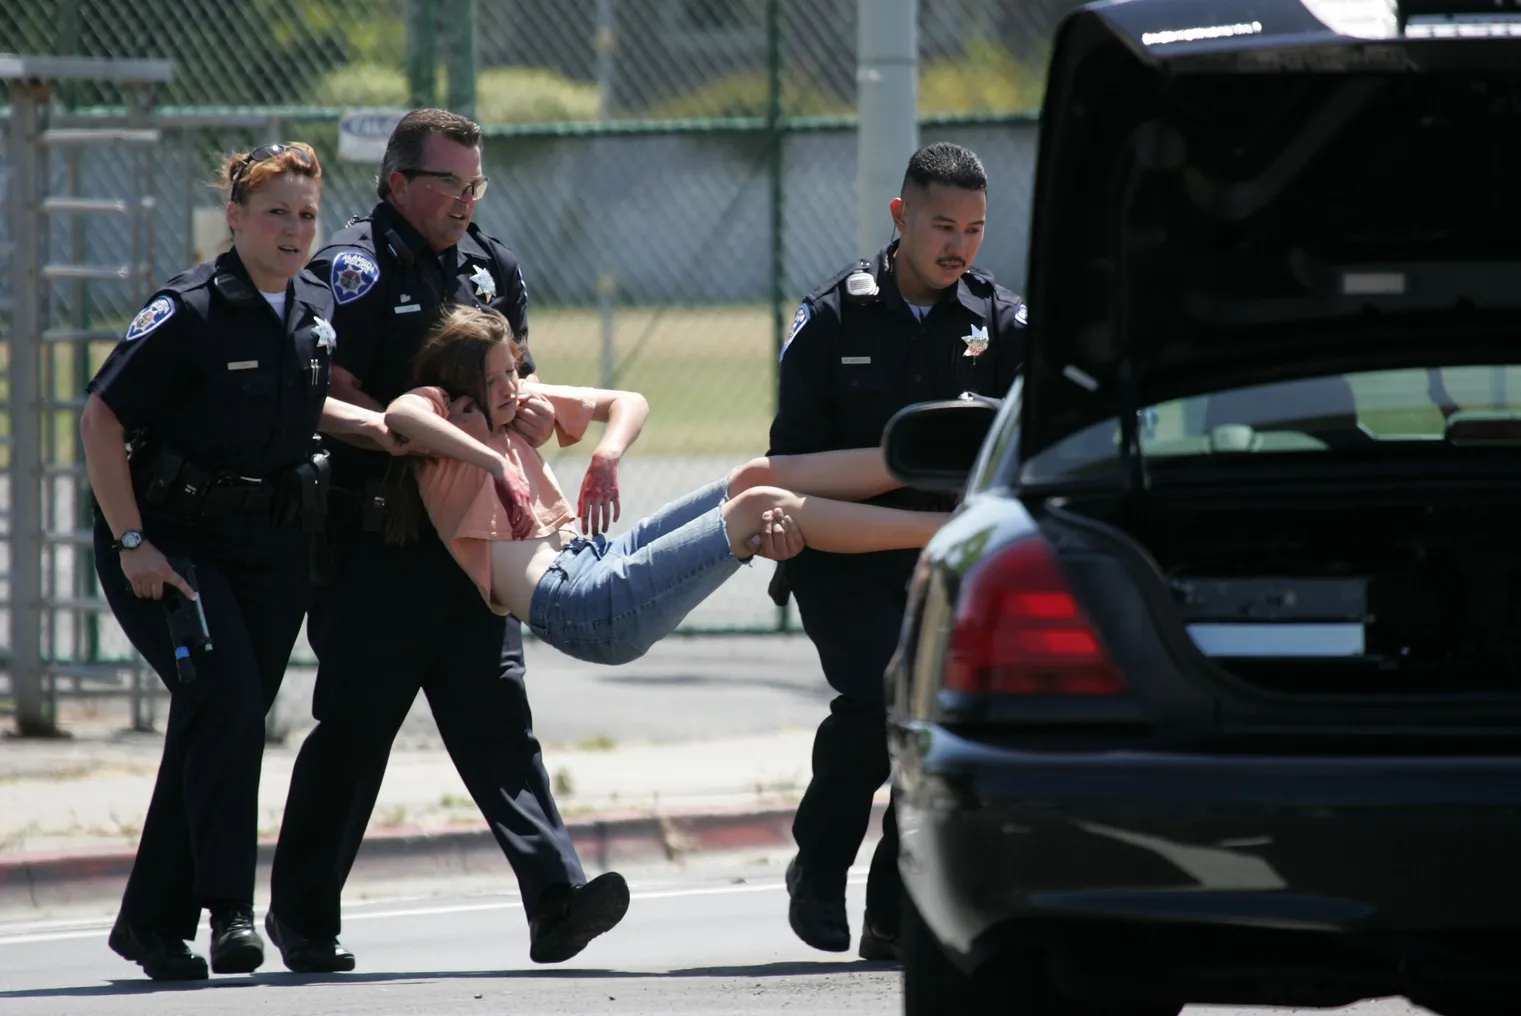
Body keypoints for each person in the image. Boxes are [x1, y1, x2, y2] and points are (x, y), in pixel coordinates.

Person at [266, 108, 622, 972]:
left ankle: (555, 900)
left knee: (499, 718)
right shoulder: (349, 267)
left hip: (475, 534)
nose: (465, 199)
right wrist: (415, 423)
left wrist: (527, 407)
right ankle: (304, 919)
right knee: (355, 733)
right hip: (377, 543)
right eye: (447, 183)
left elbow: (516, 377)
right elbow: (330, 387)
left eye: (475, 184)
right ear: (397, 183)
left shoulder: (488, 267)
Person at [82, 142, 391, 981]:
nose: (295, 231)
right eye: (276, 213)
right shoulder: (187, 310)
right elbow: (101, 421)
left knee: (221, 715)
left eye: (305, 214)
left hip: (272, 546)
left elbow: (309, 400)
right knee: (226, 702)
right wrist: (134, 544)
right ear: (235, 217)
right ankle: (228, 913)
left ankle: (149, 923)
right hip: (170, 542)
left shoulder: (316, 301)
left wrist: (389, 429)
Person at [769, 142, 1028, 961]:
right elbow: (791, 455)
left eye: (976, 229)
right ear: (900, 217)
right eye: (943, 225)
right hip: (844, 556)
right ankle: (819, 864)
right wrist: (783, 521)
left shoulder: (1004, 324)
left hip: (949, 561)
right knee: (883, 702)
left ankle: (892, 906)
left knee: (940, 723)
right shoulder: (832, 317)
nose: (959, 246)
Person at [378, 305, 948, 665]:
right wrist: (491, 460)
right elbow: (399, 419)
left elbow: (631, 401)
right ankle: (946, 530)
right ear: (461, 381)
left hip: (597, 557)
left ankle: (938, 462)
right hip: (580, 605)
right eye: (494, 377)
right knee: (758, 508)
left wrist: (606, 452)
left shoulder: (517, 401)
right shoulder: (445, 415)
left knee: (753, 476)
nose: (511, 386)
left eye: (513, 371)